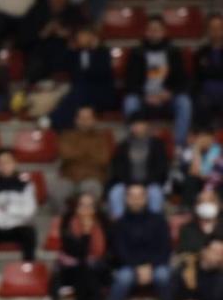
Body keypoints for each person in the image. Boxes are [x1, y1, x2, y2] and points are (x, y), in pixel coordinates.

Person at [124, 18, 194, 152]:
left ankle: (179, 146)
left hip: (167, 98)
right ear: (145, 32)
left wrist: (169, 93)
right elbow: (130, 83)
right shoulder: (136, 53)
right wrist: (145, 96)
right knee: (130, 102)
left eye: (157, 30)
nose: (153, 33)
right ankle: (133, 141)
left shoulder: (174, 52)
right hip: (144, 99)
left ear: (164, 32)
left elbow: (182, 81)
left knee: (184, 102)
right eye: (151, 30)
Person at [110, 183, 174, 300]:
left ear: (146, 198)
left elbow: (165, 248)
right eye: (132, 196)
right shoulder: (120, 223)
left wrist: (150, 266)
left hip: (155, 266)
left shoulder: (159, 220)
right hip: (130, 266)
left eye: (139, 196)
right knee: (124, 278)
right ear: (126, 199)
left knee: (163, 275)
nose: (136, 200)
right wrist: (137, 267)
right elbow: (119, 251)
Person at [0, 151, 39, 270]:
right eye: (1, 163)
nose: (4, 166)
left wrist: (8, 211)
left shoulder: (27, 186)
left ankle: (28, 269)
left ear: (15, 163)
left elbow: (29, 211)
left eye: (8, 162)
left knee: (30, 232)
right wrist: (5, 220)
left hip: (19, 226)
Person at [54, 192, 112, 300]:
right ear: (76, 208)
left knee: (89, 271)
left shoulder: (104, 224)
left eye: (89, 206)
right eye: (82, 205)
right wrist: (86, 233)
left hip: (98, 269)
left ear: (95, 209)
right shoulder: (68, 223)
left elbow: (108, 253)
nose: (86, 209)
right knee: (84, 269)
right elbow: (78, 253)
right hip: (71, 270)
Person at [107, 118, 172, 219]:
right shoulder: (123, 145)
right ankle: (118, 227)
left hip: (151, 183)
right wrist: (130, 185)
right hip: (126, 183)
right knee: (115, 193)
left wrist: (144, 185)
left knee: (156, 194)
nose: (137, 127)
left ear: (147, 126)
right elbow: (118, 168)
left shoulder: (157, 144)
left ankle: (154, 224)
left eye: (140, 124)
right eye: (134, 125)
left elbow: (161, 168)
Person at [57, 105, 116, 204]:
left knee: (90, 188)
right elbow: (65, 154)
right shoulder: (66, 135)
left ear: (94, 120)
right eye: (82, 118)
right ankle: (64, 219)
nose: (85, 121)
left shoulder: (101, 138)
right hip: (69, 177)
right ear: (76, 120)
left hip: (93, 177)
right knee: (57, 190)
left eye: (88, 118)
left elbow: (103, 159)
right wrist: (89, 152)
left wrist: (77, 152)